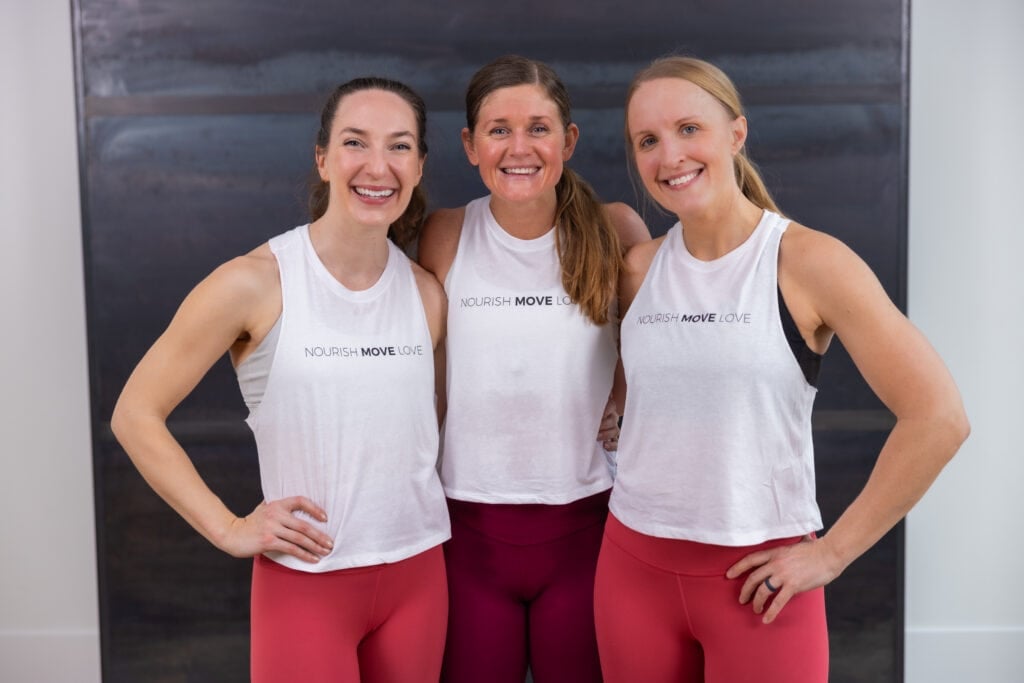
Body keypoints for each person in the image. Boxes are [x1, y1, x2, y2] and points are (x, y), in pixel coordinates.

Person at [593, 56, 970, 683]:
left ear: (736, 134)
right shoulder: (638, 269)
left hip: (760, 585)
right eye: (648, 141)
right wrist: (618, 407)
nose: (670, 156)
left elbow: (939, 418)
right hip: (632, 571)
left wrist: (832, 555)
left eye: (690, 129)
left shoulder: (807, 261)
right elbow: (651, 380)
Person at [111, 77, 451, 683]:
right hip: (306, 586)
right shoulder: (255, 283)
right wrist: (229, 526)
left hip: (419, 578)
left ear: (420, 165)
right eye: (355, 142)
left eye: (399, 146)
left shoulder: (426, 294)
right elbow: (134, 414)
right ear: (323, 159)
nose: (379, 165)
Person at [417, 55, 650, 683]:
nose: (519, 148)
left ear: (568, 140)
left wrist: (625, 393)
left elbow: (657, 340)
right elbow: (420, 369)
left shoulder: (615, 229)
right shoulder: (444, 234)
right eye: (498, 130)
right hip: (467, 531)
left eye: (539, 128)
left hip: (587, 528)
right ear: (470, 145)